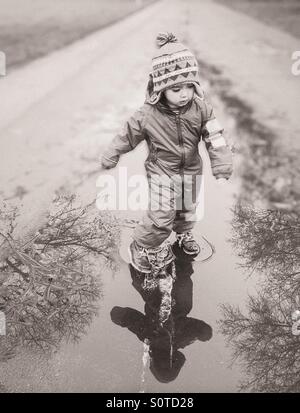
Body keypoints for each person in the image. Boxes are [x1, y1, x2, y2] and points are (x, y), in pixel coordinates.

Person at [101, 32, 233, 273]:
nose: (184, 94)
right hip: (161, 172)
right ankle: (142, 246)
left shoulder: (202, 109)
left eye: (189, 87)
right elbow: (127, 134)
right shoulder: (148, 114)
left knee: (186, 207)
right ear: (160, 89)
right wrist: (112, 154)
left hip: (191, 170)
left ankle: (183, 234)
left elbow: (216, 137)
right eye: (176, 89)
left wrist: (222, 167)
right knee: (162, 215)